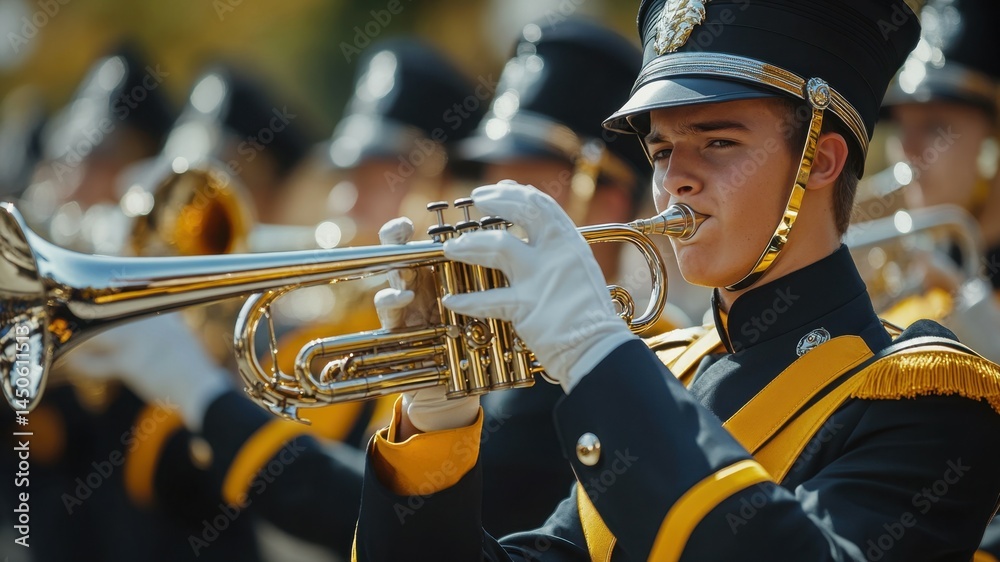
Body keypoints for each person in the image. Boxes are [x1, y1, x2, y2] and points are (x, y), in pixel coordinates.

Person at [352, 1, 1000, 560]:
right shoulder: (667, 373)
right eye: (661, 151)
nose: (674, 180)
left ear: (821, 160)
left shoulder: (929, 399)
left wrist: (594, 350)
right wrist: (433, 431)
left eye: (717, 143)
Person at [876, 0, 1000, 363]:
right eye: (902, 127)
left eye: (935, 128)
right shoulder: (915, 268)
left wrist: (970, 309)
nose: (908, 150)